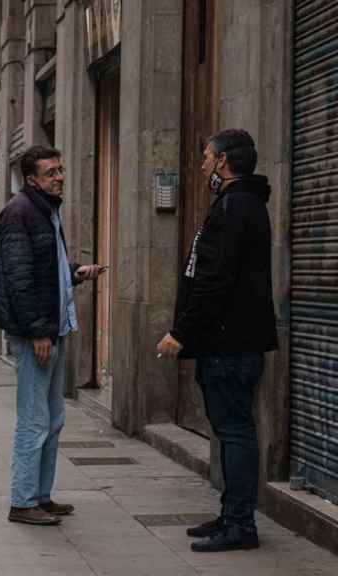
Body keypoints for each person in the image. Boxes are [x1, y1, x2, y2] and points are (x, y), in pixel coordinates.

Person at [157, 129, 277, 553]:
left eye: (208, 156)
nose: (204, 163)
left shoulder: (234, 207)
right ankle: (231, 515)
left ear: (224, 161)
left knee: (236, 431)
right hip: (230, 342)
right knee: (230, 431)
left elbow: (214, 280)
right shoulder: (240, 205)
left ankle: (241, 524)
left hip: (229, 344)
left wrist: (181, 332)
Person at [0, 145, 104, 526]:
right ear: (32, 179)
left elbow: (43, 270)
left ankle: (40, 495)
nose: (60, 177)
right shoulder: (19, 213)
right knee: (34, 420)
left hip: (53, 329)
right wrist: (38, 330)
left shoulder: (45, 212)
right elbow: (20, 281)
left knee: (54, 419)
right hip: (36, 335)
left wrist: (74, 272)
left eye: (61, 169)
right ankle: (22, 502)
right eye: (51, 172)